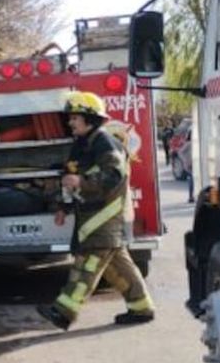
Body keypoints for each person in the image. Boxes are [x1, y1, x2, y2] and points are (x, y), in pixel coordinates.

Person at [36, 92, 155, 331]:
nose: (70, 122)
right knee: (118, 266)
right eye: (70, 118)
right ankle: (141, 308)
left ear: (89, 119)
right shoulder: (81, 145)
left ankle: (63, 312)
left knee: (87, 265)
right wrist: (63, 207)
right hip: (92, 216)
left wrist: (81, 181)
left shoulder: (104, 142)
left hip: (104, 217)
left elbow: (114, 175)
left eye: (75, 118)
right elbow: (70, 177)